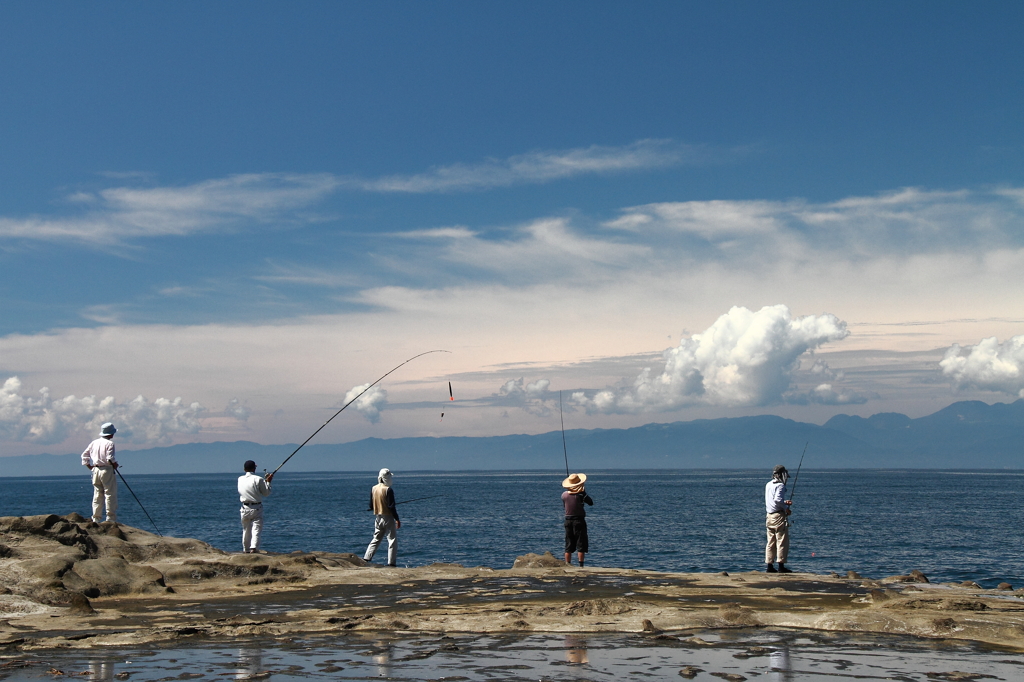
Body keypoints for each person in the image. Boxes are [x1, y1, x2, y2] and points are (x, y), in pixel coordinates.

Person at [81, 422, 119, 524]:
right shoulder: (110, 444)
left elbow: (84, 455)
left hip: (96, 470)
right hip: (106, 470)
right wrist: (115, 465)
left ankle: (96, 518)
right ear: (110, 434)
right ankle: (110, 519)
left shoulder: (94, 442)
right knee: (109, 493)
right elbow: (109, 458)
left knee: (97, 494)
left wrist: (90, 467)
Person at [363, 468, 400, 567]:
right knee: (392, 540)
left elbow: (371, 506)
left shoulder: (374, 488)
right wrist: (397, 519)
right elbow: (391, 507)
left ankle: (366, 558)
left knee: (376, 539)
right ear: (387, 477)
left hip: (378, 518)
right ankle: (391, 563)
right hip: (388, 518)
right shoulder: (388, 489)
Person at [238, 460, 273, 554]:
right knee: (256, 528)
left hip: (244, 508)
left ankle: (246, 549)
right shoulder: (258, 479)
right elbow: (266, 493)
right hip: (256, 507)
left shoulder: (240, 479)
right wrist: (268, 482)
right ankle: (254, 548)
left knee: (246, 529)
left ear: (244, 469)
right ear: (254, 468)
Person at [561, 472, 594, 567]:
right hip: (579, 520)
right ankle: (581, 565)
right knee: (581, 543)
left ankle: (567, 564)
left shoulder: (564, 495)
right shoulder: (581, 495)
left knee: (569, 543)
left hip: (567, 520)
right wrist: (584, 493)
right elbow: (591, 502)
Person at [765, 464, 793, 573]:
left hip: (769, 516)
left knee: (770, 541)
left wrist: (784, 502)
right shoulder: (780, 485)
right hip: (778, 516)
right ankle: (781, 566)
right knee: (781, 540)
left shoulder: (768, 484)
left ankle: (769, 565)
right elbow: (777, 500)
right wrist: (786, 508)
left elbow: (772, 501)